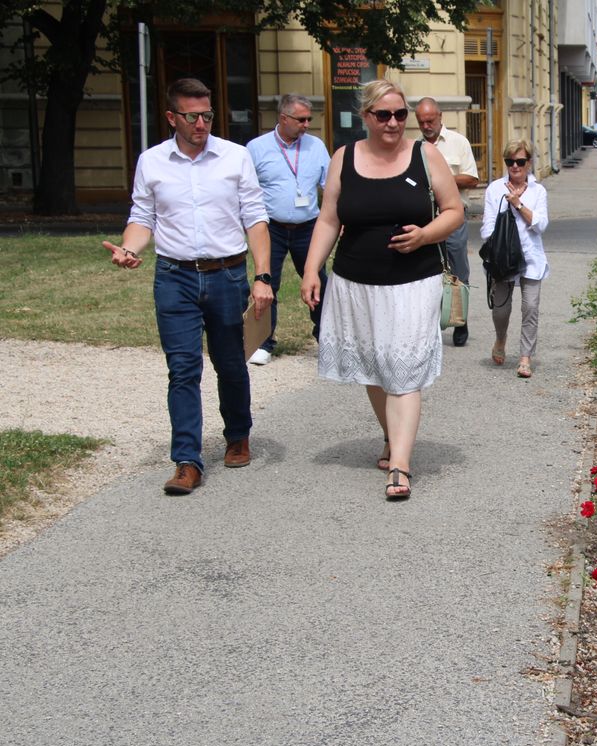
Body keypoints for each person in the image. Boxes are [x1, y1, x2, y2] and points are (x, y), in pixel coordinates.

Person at [102, 77, 272, 495]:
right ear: (171, 117)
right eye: (192, 116)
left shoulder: (234, 157)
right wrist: (129, 247)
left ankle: (237, 434)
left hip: (227, 274)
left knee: (230, 363)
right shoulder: (152, 161)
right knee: (182, 369)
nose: (201, 123)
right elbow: (143, 217)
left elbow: (255, 217)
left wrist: (262, 275)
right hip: (174, 276)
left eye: (207, 115)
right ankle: (187, 460)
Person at [299, 79, 463, 501]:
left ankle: (400, 467)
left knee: (403, 369)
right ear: (366, 117)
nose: (393, 123)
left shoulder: (425, 155)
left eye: (400, 115)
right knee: (374, 365)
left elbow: (454, 211)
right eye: (383, 115)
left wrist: (425, 235)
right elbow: (329, 219)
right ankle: (393, 437)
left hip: (413, 282)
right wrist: (312, 269)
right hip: (356, 283)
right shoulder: (344, 157)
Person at [245, 93, 331, 366]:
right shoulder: (256, 148)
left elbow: (330, 187)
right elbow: (245, 191)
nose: (307, 124)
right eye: (301, 119)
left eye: (309, 119)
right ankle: (262, 343)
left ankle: (326, 338)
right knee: (267, 283)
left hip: (309, 228)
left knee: (319, 282)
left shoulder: (316, 146)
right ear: (283, 118)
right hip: (271, 228)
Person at [414, 97, 479, 347]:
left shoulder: (458, 142)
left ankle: (460, 321)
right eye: (421, 122)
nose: (426, 125)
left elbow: (472, 178)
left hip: (452, 218)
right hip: (425, 219)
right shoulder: (415, 147)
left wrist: (440, 179)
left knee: (458, 270)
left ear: (440, 117)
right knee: (426, 271)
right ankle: (430, 326)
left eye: (430, 120)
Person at [481, 140, 548, 380]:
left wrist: (518, 204)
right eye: (510, 162)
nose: (515, 166)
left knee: (530, 307)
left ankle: (524, 358)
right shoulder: (494, 189)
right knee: (501, 309)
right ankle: (500, 338)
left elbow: (540, 225)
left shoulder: (538, 191)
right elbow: (487, 228)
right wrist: (499, 243)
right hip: (503, 258)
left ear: (529, 162)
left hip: (531, 257)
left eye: (520, 162)